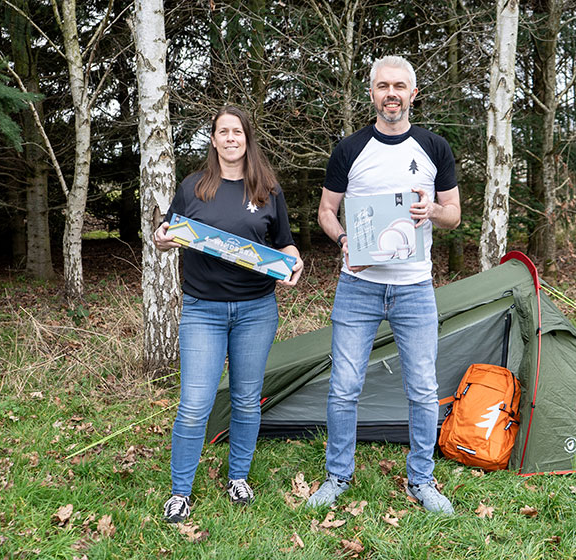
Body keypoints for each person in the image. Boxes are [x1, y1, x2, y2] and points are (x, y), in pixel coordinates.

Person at [307, 56, 461, 513]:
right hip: (358, 286)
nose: (390, 93)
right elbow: (326, 212)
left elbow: (452, 214)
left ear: (413, 94)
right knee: (344, 386)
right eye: (382, 86)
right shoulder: (349, 149)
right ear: (371, 94)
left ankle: (422, 480)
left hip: (415, 288)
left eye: (399, 86)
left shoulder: (435, 148)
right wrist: (344, 240)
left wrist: (430, 211)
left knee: (422, 387)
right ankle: (337, 476)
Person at [154, 106, 303, 523]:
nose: (231, 138)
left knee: (245, 399)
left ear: (247, 138)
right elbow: (168, 231)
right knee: (195, 403)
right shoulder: (193, 187)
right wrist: (161, 238)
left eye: (238, 131)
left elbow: (286, 244)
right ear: (214, 139)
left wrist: (296, 262)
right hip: (203, 310)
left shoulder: (267, 189)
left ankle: (238, 477)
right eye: (223, 132)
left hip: (257, 310)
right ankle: (180, 492)